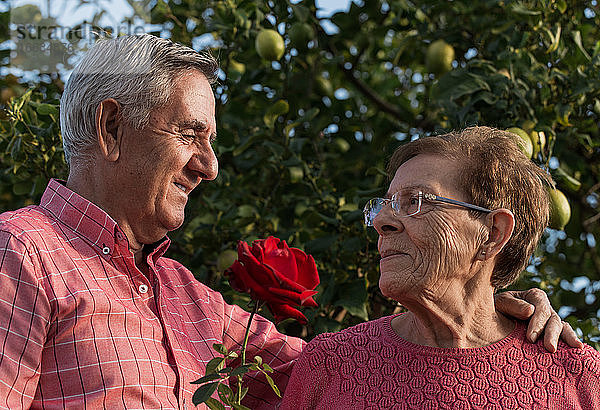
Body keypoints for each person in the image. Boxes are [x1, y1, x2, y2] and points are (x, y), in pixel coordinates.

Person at [0, 35, 579, 409]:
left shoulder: (186, 299)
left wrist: (486, 310)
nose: (211, 165)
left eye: (213, 141)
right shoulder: (22, 252)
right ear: (109, 128)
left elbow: (345, 372)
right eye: (190, 134)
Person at [280, 127, 599, 409]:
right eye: (386, 204)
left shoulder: (579, 377)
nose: (380, 222)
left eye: (417, 201)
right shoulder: (330, 364)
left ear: (493, 233)